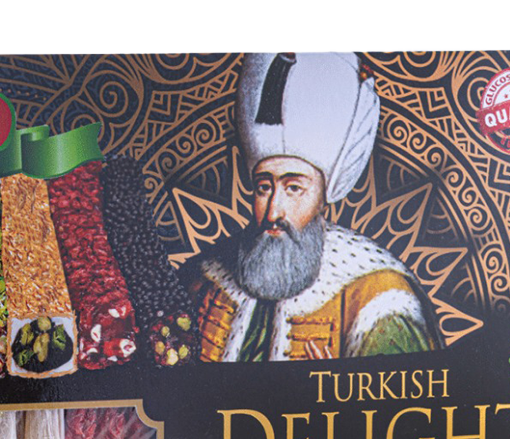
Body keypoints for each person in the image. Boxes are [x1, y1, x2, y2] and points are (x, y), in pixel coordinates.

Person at [184, 52, 438, 362]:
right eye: (264, 188)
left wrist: (340, 385)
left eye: (294, 188)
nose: (274, 210)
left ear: (323, 197)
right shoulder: (204, 281)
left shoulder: (380, 297)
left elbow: (404, 391)